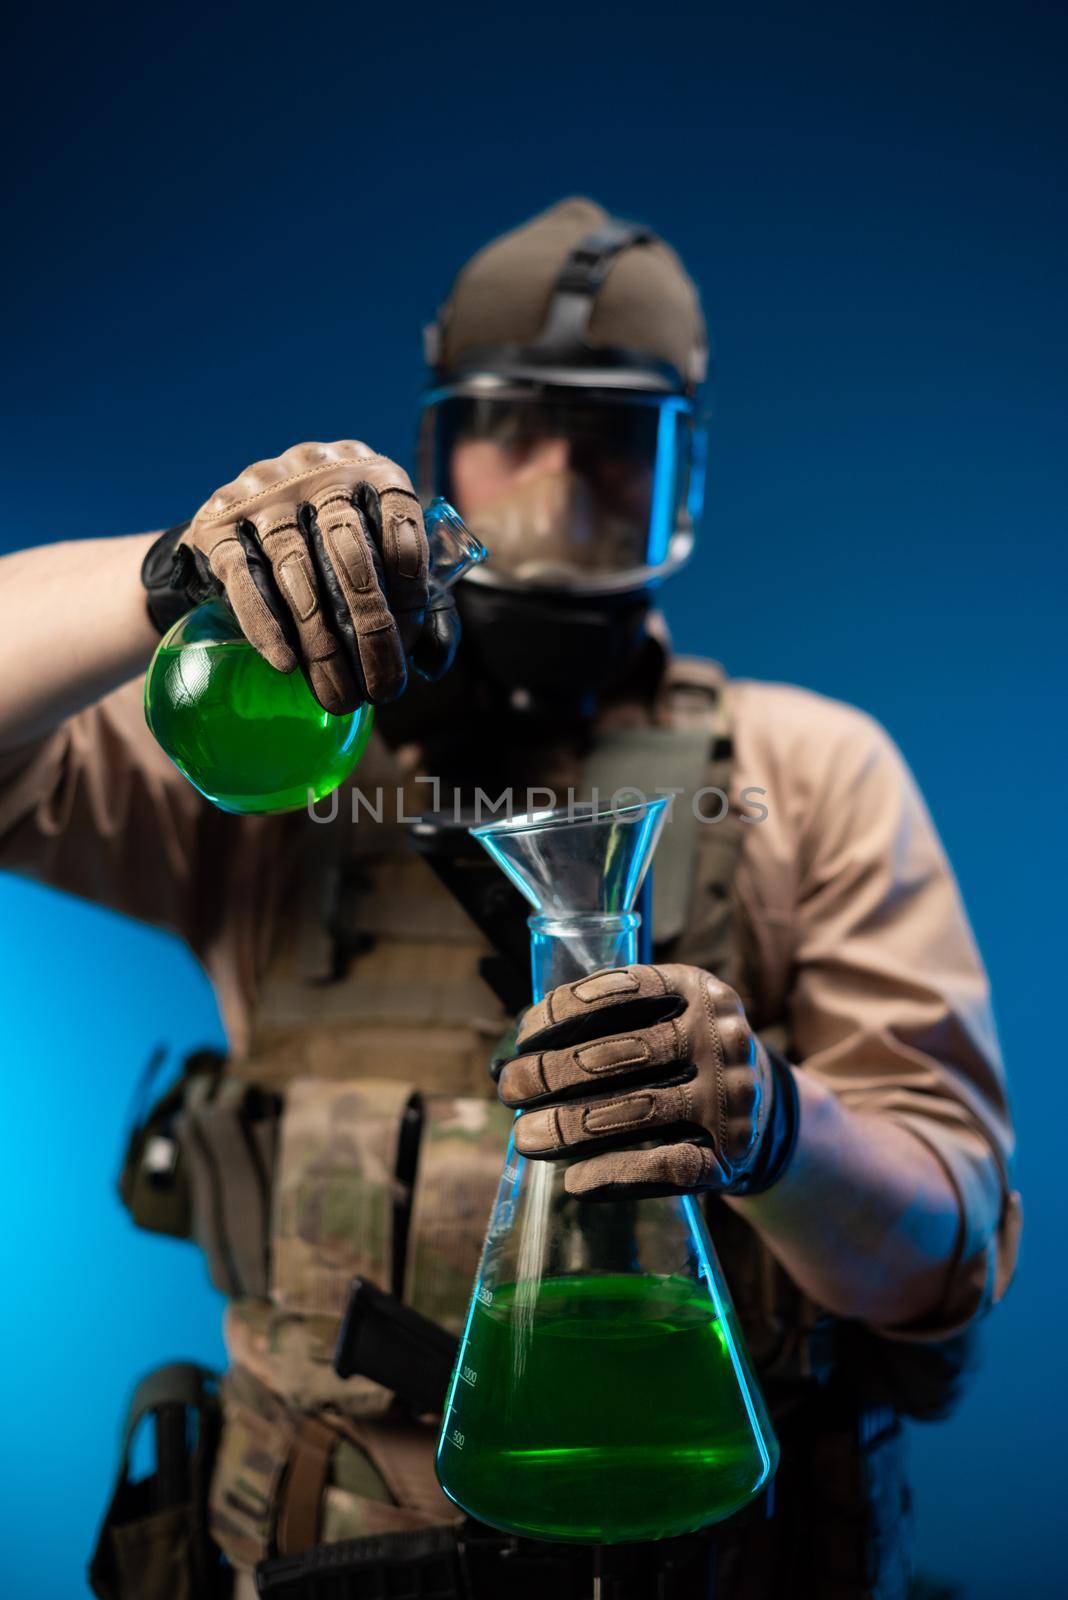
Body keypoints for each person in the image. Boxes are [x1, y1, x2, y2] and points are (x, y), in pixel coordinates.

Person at [0, 198, 1020, 1600]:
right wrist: (175, 582)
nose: (553, 482)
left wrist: (776, 1123)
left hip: (692, 1558)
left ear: (682, 478)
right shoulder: (291, 749)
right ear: (439, 454)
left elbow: (939, 1258)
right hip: (307, 1558)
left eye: (612, 440)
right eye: (510, 429)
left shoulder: (806, 769)